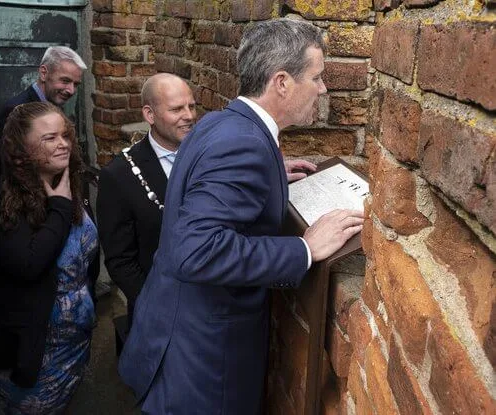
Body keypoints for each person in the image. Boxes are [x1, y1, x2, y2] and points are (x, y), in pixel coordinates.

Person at [118, 19, 364, 414]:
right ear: (281, 81)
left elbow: (202, 183)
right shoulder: (242, 143)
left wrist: (270, 175)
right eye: (317, 77)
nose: (323, 88)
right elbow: (195, 251)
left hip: (175, 329)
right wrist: (304, 249)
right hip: (202, 363)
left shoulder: (222, 121)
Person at [0, 102, 100, 413]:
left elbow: (88, 261)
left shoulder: (70, 182)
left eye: (65, 135)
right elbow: (28, 265)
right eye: (50, 138)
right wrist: (58, 206)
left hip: (74, 345)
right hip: (29, 353)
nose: (63, 144)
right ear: (22, 149)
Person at [96, 73, 197, 336]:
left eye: (192, 106)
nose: (189, 115)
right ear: (149, 115)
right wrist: (158, 307)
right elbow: (120, 260)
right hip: (157, 318)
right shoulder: (119, 175)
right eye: (177, 109)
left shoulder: (208, 156)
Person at [0, 46, 86, 177]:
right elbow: (6, 170)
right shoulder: (14, 111)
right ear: (43, 73)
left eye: (76, 84)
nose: (71, 90)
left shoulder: (52, 104)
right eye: (65, 81)